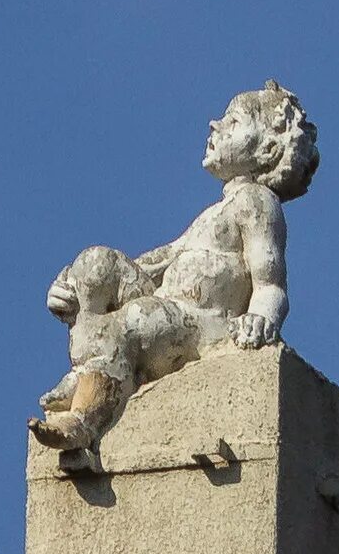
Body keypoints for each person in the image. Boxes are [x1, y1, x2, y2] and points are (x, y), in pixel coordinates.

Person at [29, 81, 319, 451]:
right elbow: (162, 260)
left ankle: (85, 419)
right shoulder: (216, 212)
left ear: (267, 148)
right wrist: (72, 290)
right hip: (168, 310)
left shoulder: (257, 202)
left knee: (133, 320)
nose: (215, 125)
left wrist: (261, 318)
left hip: (202, 324)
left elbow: (271, 283)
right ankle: (93, 369)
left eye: (233, 121)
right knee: (96, 262)